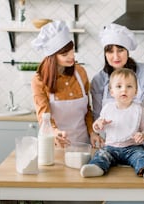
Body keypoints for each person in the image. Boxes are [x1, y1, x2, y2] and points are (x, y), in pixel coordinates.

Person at [91, 23, 144, 148]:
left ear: (127, 51)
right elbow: (98, 116)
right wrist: (98, 129)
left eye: (120, 50)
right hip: (115, 144)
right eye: (110, 51)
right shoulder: (98, 80)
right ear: (105, 53)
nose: (115, 56)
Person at [80, 68, 144, 179]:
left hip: (132, 148)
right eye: (119, 86)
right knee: (101, 155)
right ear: (112, 92)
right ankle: (96, 168)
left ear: (135, 91)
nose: (124, 90)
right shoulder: (108, 108)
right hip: (110, 147)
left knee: (141, 156)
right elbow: (97, 127)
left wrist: (143, 135)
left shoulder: (140, 110)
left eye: (129, 86)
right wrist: (98, 125)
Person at [31, 20, 102, 148]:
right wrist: (54, 132)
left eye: (72, 51)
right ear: (52, 56)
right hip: (56, 143)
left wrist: (92, 132)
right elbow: (43, 116)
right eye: (65, 54)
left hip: (83, 144)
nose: (72, 57)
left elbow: (87, 110)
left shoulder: (80, 72)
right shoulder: (39, 80)